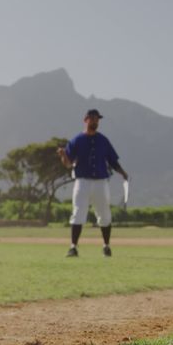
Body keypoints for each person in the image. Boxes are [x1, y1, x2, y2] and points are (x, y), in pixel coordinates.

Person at [57, 109, 129, 257]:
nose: (96, 121)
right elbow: (68, 164)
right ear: (86, 120)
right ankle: (73, 247)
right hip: (82, 181)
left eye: (97, 119)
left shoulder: (103, 140)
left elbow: (112, 161)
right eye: (93, 118)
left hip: (101, 182)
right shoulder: (76, 140)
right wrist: (63, 155)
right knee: (78, 213)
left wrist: (122, 172)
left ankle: (106, 246)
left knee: (104, 214)